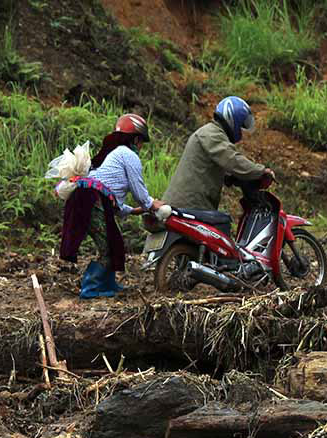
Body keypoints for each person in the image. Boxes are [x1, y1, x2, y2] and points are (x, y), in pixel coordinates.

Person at [60, 113, 164, 298]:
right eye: (141, 142)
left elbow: (110, 193)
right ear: (136, 139)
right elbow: (138, 190)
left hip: (89, 199)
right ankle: (90, 288)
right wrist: (151, 204)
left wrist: (133, 211)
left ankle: (108, 284)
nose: (141, 147)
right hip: (91, 201)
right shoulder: (128, 155)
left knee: (114, 242)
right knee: (108, 247)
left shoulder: (112, 154)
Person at [162, 96, 274, 216]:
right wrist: (261, 171)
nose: (241, 130)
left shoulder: (211, 133)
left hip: (185, 206)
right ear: (233, 118)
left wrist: (235, 178)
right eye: (241, 125)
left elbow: (221, 171)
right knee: (224, 222)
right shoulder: (212, 134)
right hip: (189, 206)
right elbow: (232, 160)